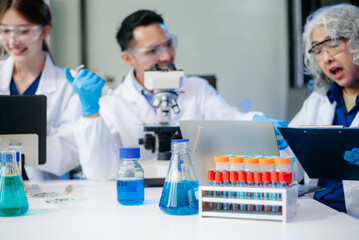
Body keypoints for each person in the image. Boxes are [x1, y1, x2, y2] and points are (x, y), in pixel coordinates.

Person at [66, 10, 287, 180]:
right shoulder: (112, 104)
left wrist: (255, 124)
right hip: (139, 198)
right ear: (128, 59)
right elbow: (100, 173)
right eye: (153, 50)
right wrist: (91, 113)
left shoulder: (197, 89)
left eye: (169, 45)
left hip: (191, 190)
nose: (166, 56)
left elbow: (228, 119)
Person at [289, 4, 359, 218]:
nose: (326, 59)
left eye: (334, 45)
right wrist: (280, 143)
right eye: (318, 51)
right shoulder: (318, 101)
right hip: (316, 214)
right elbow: (291, 165)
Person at [0, 0, 81, 180]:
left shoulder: (67, 86)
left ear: (45, 30)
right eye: (5, 30)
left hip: (49, 192)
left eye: (23, 31)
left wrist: (15, 142)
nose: (13, 41)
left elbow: (69, 155)